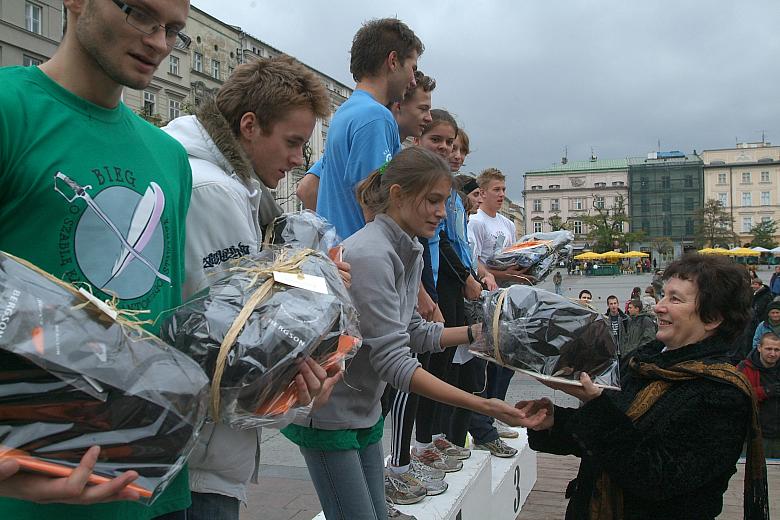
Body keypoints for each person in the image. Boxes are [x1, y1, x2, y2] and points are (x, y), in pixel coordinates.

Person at [0, 0, 200, 517]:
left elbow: (164, 320)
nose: (158, 41)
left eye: (174, 29)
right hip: (29, 487)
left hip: (150, 480)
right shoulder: (9, 110)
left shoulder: (170, 157)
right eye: (139, 13)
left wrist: (278, 364)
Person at [281, 147, 549, 519]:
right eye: (433, 200)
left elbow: (414, 332)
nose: (442, 212)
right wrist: (483, 404)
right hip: (330, 416)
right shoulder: (374, 253)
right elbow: (396, 364)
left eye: (445, 202)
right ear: (398, 196)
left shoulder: (407, 248)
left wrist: (481, 332)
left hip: (362, 411)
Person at [162, 56, 341, 520]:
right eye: (292, 142)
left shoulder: (227, 183)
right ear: (248, 126)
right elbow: (230, 346)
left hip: (199, 449)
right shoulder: (215, 192)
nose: (299, 159)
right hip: (201, 457)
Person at [519, 254, 768, 519]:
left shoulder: (722, 394)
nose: (659, 307)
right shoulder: (644, 362)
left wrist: (594, 404)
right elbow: (606, 438)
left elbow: (656, 477)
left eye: (675, 299)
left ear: (713, 318)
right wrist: (553, 421)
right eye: (663, 295)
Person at [314, 18, 422, 240]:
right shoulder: (376, 117)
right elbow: (375, 207)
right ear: (393, 61)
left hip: (340, 254)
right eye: (413, 68)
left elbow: (307, 188)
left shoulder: (344, 113)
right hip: (363, 264)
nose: (413, 80)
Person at [738, 333, 780, 459]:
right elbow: (737, 397)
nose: (773, 353)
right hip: (755, 436)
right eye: (768, 349)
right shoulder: (744, 368)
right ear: (759, 347)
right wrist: (765, 391)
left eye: (777, 350)